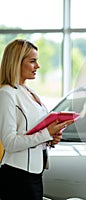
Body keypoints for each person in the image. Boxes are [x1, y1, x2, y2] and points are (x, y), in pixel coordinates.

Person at [0, 39, 74, 200]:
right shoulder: (6, 94)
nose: (37, 66)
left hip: (35, 172)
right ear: (16, 62)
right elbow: (9, 142)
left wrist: (50, 138)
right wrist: (46, 134)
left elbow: (34, 131)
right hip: (17, 176)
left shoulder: (30, 92)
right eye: (32, 61)